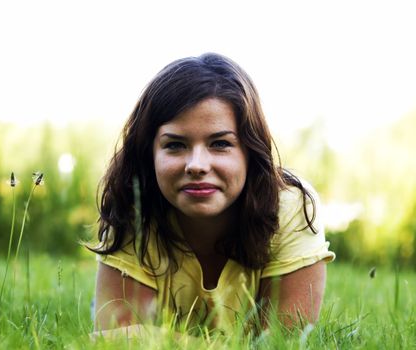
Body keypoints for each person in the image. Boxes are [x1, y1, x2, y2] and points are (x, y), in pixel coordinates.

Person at [90, 53, 335, 336]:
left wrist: (153, 337)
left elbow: (284, 342)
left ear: (249, 151)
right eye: (175, 145)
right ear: (149, 153)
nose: (197, 165)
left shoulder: (292, 208)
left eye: (220, 143)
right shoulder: (133, 206)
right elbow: (114, 340)